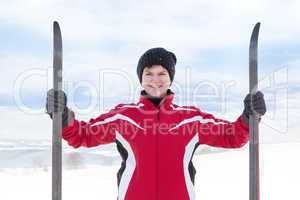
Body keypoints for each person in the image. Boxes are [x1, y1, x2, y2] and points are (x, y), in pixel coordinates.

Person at [46, 47, 266, 200]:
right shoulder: (125, 116)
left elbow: (232, 136)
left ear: (171, 78)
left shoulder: (190, 119)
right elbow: (82, 135)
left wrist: (249, 117)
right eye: (148, 73)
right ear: (140, 78)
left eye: (162, 73)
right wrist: (62, 115)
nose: (155, 79)